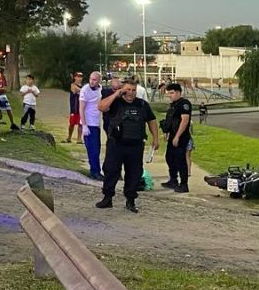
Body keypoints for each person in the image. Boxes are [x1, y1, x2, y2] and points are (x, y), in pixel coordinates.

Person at [96, 80, 159, 213]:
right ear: (123, 90)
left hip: (136, 145)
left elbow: (152, 120)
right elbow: (101, 107)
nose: (131, 92)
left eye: (133, 90)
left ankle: (130, 200)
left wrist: (155, 138)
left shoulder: (142, 104)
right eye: (128, 89)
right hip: (116, 144)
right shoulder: (115, 103)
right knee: (111, 171)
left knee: (134, 173)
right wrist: (116, 94)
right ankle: (107, 198)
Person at [161, 83, 193, 193]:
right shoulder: (173, 105)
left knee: (180, 160)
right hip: (172, 135)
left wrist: (177, 136)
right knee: (169, 157)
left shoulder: (184, 104)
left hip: (181, 136)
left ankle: (184, 184)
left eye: (172, 93)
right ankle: (173, 180)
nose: (169, 95)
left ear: (178, 92)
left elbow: (185, 121)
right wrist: (167, 132)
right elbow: (170, 121)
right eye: (168, 93)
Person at [79, 72, 105, 180]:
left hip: (96, 122)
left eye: (94, 80)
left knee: (97, 148)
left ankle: (95, 170)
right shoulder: (85, 90)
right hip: (89, 123)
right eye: (91, 79)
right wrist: (84, 125)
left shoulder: (101, 89)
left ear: (99, 81)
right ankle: (95, 171)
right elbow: (81, 108)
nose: (92, 82)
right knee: (93, 149)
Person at [66, 72, 84, 144]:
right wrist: (82, 91)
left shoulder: (83, 86)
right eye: (78, 76)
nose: (79, 78)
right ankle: (69, 137)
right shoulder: (72, 85)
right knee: (72, 124)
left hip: (81, 107)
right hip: (74, 107)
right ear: (75, 77)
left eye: (81, 77)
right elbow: (75, 90)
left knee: (80, 124)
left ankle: (79, 139)